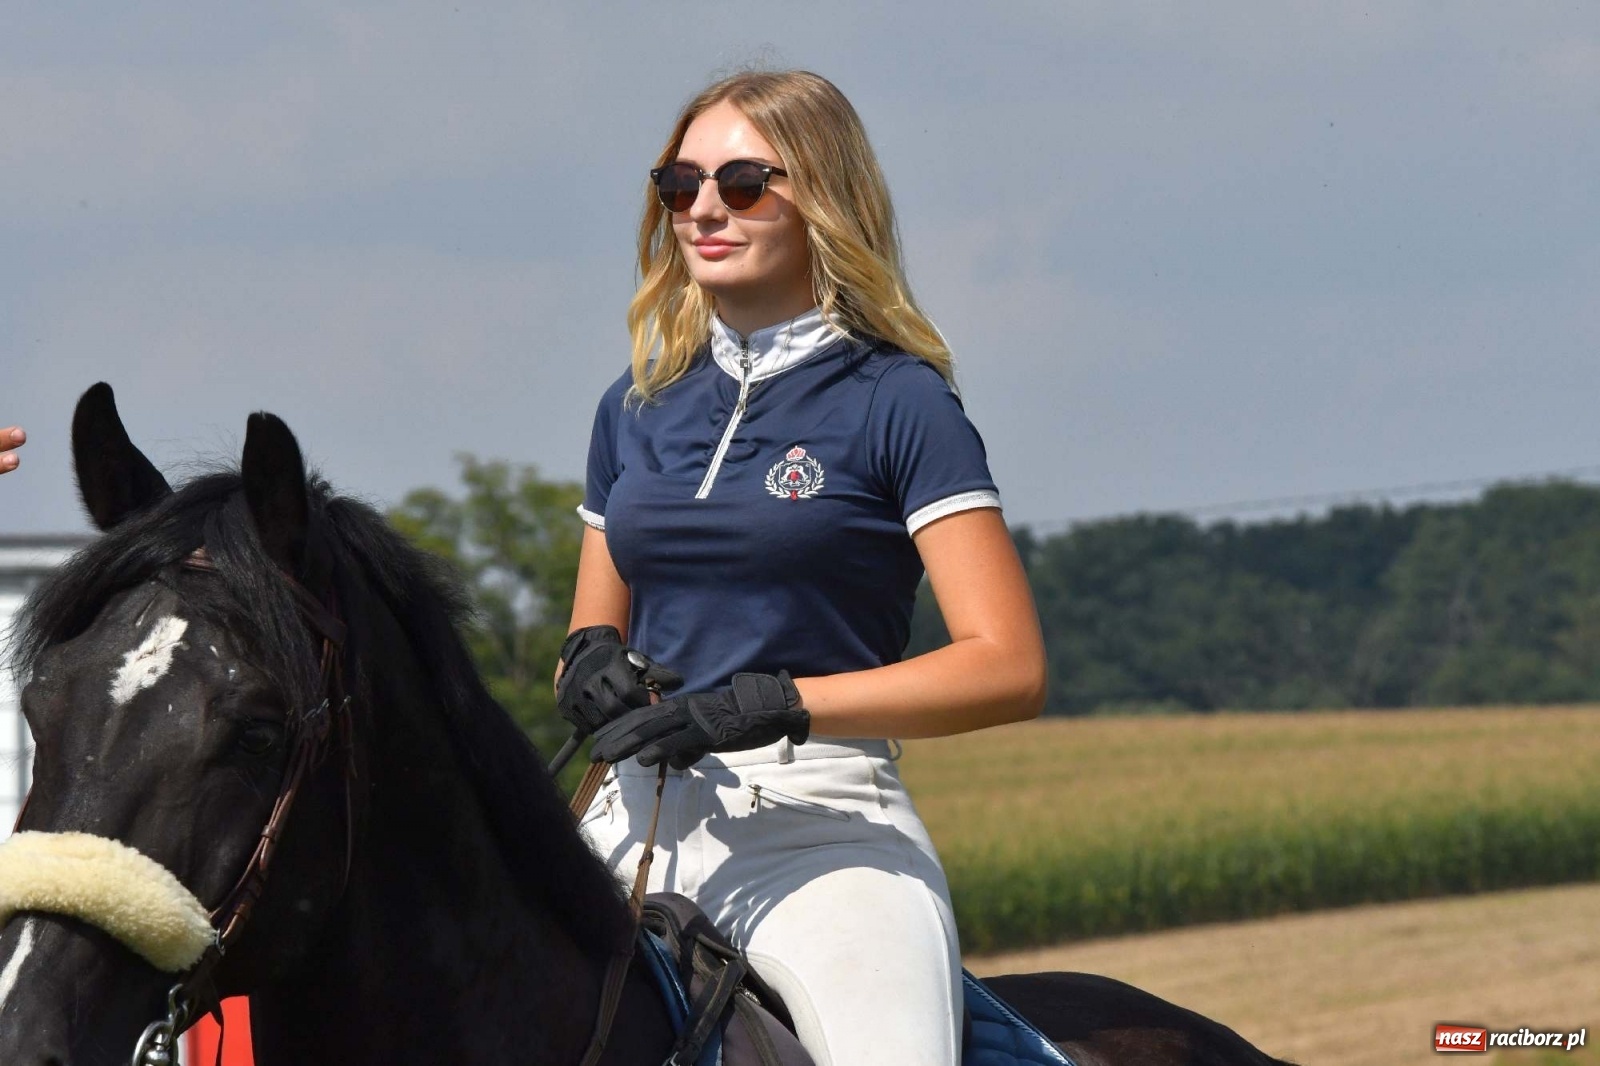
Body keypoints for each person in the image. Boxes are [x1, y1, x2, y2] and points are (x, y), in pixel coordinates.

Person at [554, 70, 1047, 1065]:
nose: (701, 208)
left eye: (740, 183)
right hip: (625, 822)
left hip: (816, 830)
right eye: (678, 184)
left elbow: (1006, 665)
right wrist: (590, 664)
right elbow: (584, 637)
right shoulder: (634, 404)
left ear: (819, 193)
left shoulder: (898, 402)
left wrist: (782, 703)